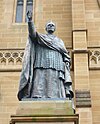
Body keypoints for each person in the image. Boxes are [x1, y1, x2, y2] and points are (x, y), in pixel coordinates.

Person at [17, 11, 74, 101]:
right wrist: (30, 21)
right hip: (41, 63)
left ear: (54, 28)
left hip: (57, 65)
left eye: (52, 25)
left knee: (54, 83)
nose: (51, 26)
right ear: (46, 28)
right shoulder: (41, 37)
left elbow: (65, 54)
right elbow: (33, 34)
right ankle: (37, 96)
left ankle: (57, 97)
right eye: (49, 25)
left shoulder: (59, 41)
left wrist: (66, 63)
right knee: (39, 81)